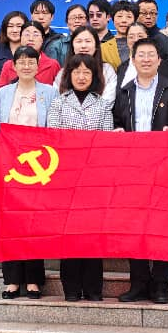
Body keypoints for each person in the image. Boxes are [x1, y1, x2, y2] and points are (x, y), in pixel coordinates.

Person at [112, 37, 168, 304]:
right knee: (133, 226)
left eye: (150, 55)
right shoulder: (124, 92)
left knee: (163, 225)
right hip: (132, 169)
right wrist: (117, 132)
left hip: (165, 169)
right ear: (133, 61)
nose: (146, 59)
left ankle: (161, 285)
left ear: (159, 60)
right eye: (141, 55)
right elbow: (116, 122)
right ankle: (138, 283)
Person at [47, 53, 114, 301]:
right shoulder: (58, 103)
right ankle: (72, 289)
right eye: (77, 72)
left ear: (94, 76)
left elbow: (106, 140)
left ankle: (94, 288)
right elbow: (53, 138)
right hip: (66, 178)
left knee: (93, 234)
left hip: (94, 179)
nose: (82, 76)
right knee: (69, 235)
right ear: (69, 75)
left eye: (87, 72)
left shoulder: (102, 105)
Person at [0, 46, 58, 299]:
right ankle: (11, 281)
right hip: (10, 165)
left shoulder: (49, 92)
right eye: (21, 62)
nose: (27, 66)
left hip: (39, 166)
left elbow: (53, 127)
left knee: (33, 223)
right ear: (14, 66)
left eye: (31, 61)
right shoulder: (4, 92)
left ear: (38, 65)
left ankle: (33, 280)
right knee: (10, 222)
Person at [52, 26, 118, 107]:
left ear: (96, 45)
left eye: (88, 41)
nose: (83, 46)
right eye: (79, 41)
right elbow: (56, 100)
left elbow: (107, 101)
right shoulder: (63, 72)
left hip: (99, 114)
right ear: (72, 46)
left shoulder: (107, 70)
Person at [0, 21, 61, 93]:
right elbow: (0, 93)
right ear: (21, 38)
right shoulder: (9, 65)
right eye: (27, 34)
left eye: (35, 35)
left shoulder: (52, 65)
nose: (31, 38)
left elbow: (59, 92)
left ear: (42, 39)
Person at [135, 0, 168, 78]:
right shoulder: (131, 37)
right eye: (144, 13)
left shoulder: (165, 37)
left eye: (152, 13)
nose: (148, 17)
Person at [30, 0, 69, 65]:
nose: (41, 17)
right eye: (37, 13)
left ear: (52, 17)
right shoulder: (25, 38)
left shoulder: (60, 40)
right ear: (31, 16)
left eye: (45, 13)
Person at [0, 11, 29, 75]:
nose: (15, 30)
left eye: (19, 26)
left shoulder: (34, 53)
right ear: (5, 29)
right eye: (10, 26)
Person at [100, 0, 138, 68]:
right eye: (119, 16)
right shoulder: (103, 48)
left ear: (134, 20)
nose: (124, 20)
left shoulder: (142, 44)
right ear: (113, 19)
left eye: (129, 17)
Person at [115, 23, 149, 88]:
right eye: (131, 37)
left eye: (140, 36)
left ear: (148, 37)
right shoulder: (121, 68)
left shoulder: (160, 65)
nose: (136, 40)